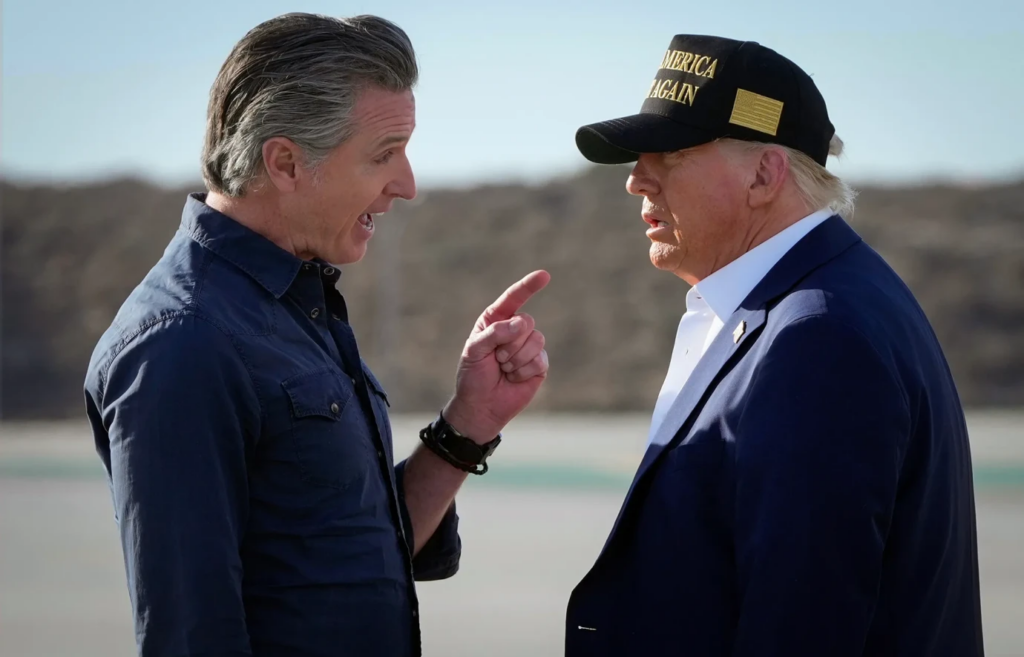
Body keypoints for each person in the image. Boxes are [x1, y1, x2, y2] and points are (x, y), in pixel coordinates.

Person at [83, 13, 550, 657]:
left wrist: (467, 424)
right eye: (383, 156)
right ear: (286, 163)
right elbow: (190, 635)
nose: (407, 185)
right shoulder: (182, 344)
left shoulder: (293, 308)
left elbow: (347, 558)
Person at [565, 34, 984, 656]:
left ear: (765, 173)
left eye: (670, 153)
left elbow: (803, 622)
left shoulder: (816, 336)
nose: (637, 181)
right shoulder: (819, 302)